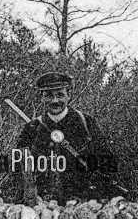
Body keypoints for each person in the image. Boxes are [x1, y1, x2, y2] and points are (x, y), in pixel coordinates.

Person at [12, 71, 118, 205]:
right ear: (41, 98)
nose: (55, 101)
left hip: (83, 205)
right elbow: (18, 169)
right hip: (42, 206)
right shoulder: (31, 128)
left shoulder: (87, 123)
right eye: (49, 96)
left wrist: (97, 195)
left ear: (69, 95)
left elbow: (106, 162)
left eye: (60, 95)